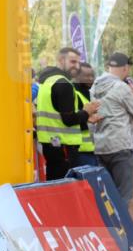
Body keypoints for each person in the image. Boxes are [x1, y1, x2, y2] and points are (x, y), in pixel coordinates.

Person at [36, 47, 101, 179]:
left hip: (52, 143)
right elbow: (68, 120)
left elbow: (58, 115)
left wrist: (85, 117)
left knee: (54, 183)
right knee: (62, 187)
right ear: (61, 60)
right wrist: (86, 112)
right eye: (73, 62)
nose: (76, 66)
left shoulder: (48, 82)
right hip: (63, 145)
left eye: (78, 63)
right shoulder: (63, 84)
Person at [92, 52, 133, 203]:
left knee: (106, 195)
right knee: (123, 195)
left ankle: (107, 226)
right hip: (121, 146)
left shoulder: (94, 86)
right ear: (125, 68)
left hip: (100, 146)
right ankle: (121, 226)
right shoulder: (122, 88)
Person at [70, 62, 99, 167]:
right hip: (80, 150)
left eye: (92, 75)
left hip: (92, 149)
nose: (90, 78)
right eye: (86, 76)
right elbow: (71, 118)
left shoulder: (89, 93)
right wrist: (87, 118)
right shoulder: (73, 93)